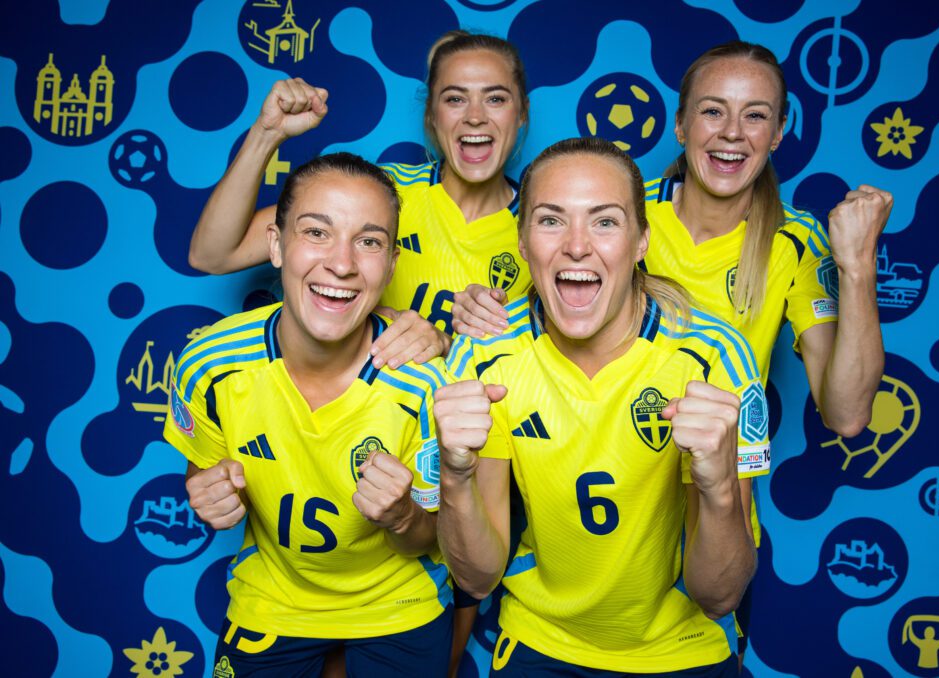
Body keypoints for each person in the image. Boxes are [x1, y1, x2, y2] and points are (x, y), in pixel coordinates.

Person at [452, 41, 892, 664]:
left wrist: (857, 268)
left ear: (780, 130)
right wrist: (475, 312)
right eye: (713, 112)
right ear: (681, 125)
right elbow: (542, 290)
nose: (732, 133)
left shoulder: (791, 246)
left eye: (756, 115)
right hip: (565, 497)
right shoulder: (616, 209)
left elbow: (847, 413)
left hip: (699, 511)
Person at [435, 137, 765, 675]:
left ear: (641, 241)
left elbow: (720, 596)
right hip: (541, 643)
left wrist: (721, 488)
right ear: (521, 242)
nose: (577, 246)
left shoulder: (714, 355)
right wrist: (453, 474)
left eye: (605, 222)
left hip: (683, 649)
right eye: (550, 221)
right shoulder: (486, 353)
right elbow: (476, 579)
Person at [163, 153, 452, 676]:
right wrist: (208, 490)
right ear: (276, 244)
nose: (342, 263)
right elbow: (204, 469)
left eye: (369, 241)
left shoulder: (425, 382)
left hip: (398, 605)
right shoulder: (208, 362)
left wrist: (402, 515)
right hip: (272, 598)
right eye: (317, 232)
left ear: (390, 264)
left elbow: (428, 536)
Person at [187, 30, 531, 366]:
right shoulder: (382, 192)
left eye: (496, 98)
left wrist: (445, 343)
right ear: (431, 114)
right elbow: (213, 255)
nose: (474, 116)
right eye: (455, 98)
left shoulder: (547, 227)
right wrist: (266, 134)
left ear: (522, 114)